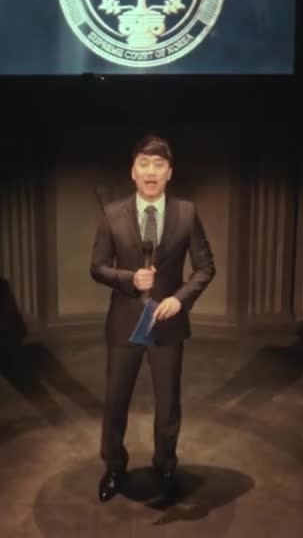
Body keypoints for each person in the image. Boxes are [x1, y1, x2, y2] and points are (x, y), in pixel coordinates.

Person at [90, 134, 215, 503]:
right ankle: (114, 466)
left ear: (169, 173)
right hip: (125, 321)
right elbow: (97, 267)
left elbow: (205, 267)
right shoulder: (112, 214)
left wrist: (179, 299)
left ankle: (166, 467)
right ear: (133, 171)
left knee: (168, 405)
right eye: (144, 164)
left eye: (159, 165)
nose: (151, 171)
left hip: (166, 321)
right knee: (115, 402)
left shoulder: (186, 213)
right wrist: (129, 279)